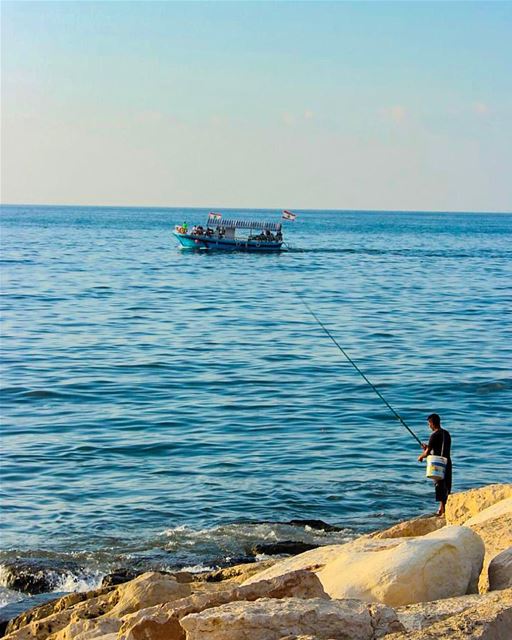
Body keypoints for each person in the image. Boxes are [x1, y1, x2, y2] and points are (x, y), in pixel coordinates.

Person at [417, 413, 452, 516]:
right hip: (447, 462)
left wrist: (421, 456)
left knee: (439, 485)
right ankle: (443, 508)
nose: (429, 426)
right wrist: (428, 447)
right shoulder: (446, 433)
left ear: (432, 423)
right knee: (447, 484)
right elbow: (440, 448)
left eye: (429, 424)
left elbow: (428, 453)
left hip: (438, 464)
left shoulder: (434, 435)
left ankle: (442, 509)